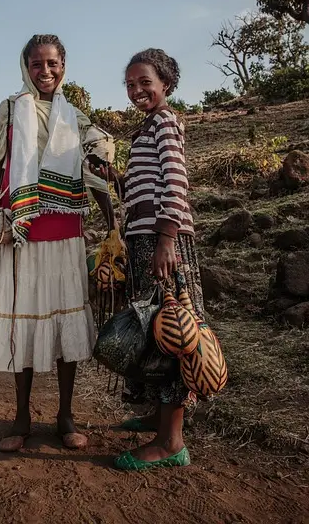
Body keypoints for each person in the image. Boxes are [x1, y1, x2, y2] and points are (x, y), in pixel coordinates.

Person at [0, 34, 115, 453]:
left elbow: (95, 172)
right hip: (18, 233)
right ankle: (21, 417)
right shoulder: (10, 109)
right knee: (23, 319)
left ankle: (65, 414)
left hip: (63, 233)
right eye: (37, 64)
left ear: (64, 65)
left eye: (53, 63)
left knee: (62, 321)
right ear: (26, 67)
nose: (46, 71)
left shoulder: (77, 118)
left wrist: (114, 227)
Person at [90, 48, 204, 471]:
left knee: (173, 331)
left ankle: (172, 442)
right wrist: (115, 179)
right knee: (152, 330)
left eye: (146, 83)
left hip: (161, 242)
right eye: (131, 84)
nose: (137, 90)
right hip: (144, 241)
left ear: (166, 86)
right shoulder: (146, 128)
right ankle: (158, 418)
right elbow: (144, 190)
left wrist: (167, 240)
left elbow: (176, 182)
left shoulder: (165, 122)